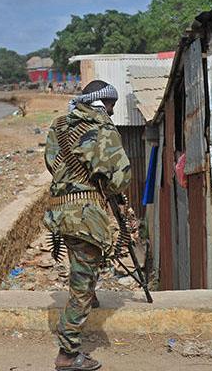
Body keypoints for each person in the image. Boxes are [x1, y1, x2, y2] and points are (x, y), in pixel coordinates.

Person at [44, 80, 131, 370]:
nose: (113, 111)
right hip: (85, 214)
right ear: (101, 103)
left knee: (80, 267)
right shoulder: (102, 128)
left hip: (59, 211)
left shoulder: (58, 126)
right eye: (112, 105)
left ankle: (88, 298)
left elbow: (52, 164)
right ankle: (68, 354)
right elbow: (120, 177)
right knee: (81, 285)